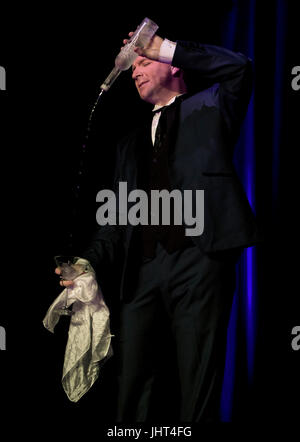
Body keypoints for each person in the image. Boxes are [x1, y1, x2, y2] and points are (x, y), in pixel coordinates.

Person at [57, 32, 260, 422]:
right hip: (143, 272)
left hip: (200, 262)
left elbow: (241, 67)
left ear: (175, 65)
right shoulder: (128, 145)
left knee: (198, 386)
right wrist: (87, 262)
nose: (135, 72)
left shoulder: (212, 106)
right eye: (133, 67)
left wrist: (163, 46)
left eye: (145, 62)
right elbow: (117, 219)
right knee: (133, 385)